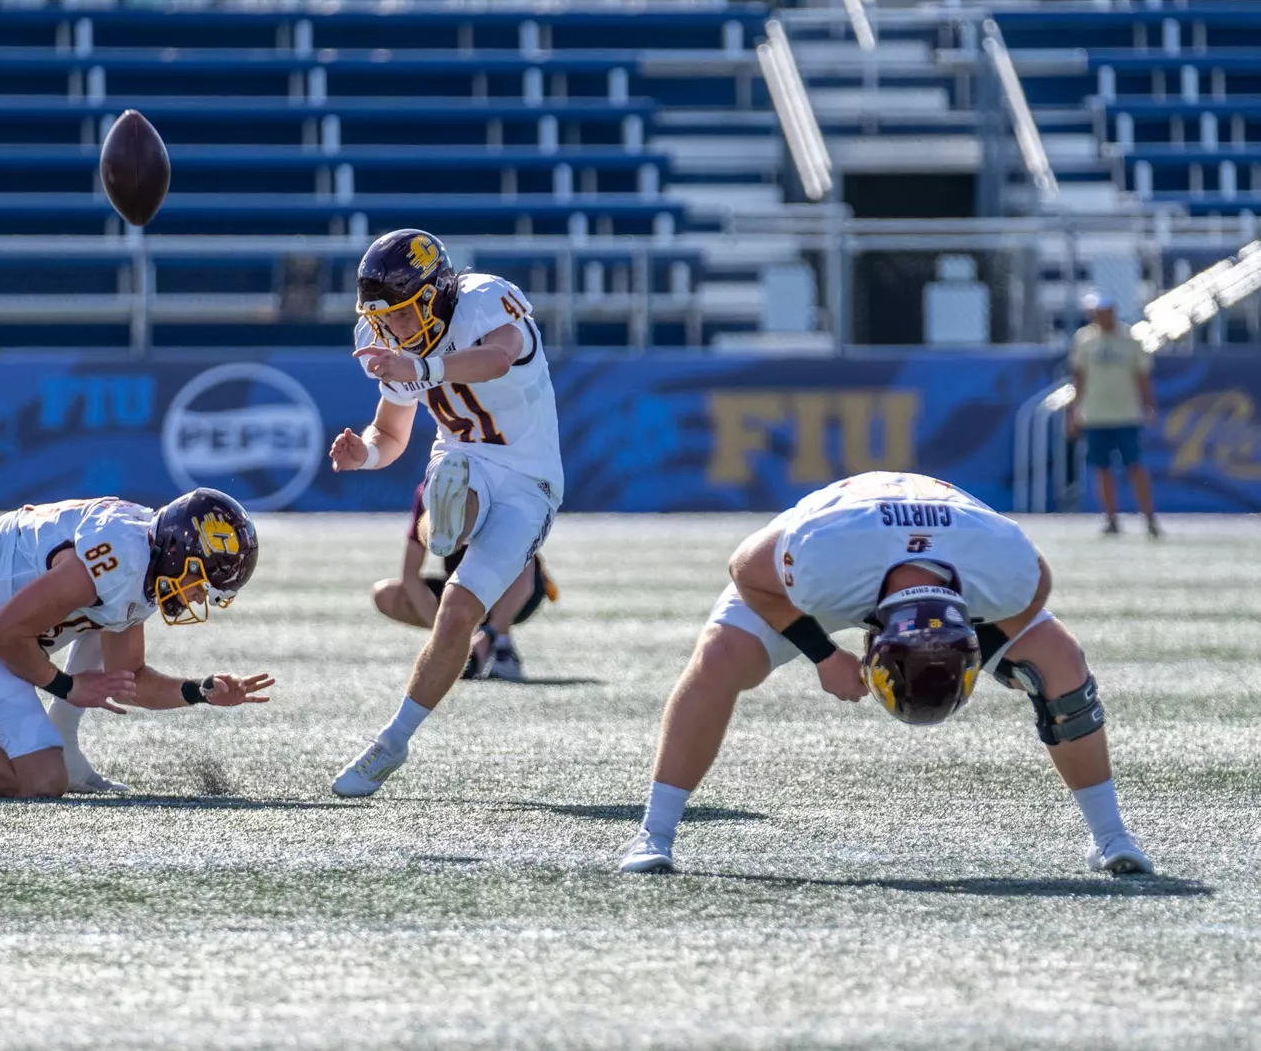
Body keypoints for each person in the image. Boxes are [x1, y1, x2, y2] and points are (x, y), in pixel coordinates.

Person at [618, 471, 1153, 877]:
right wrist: (823, 654)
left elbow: (1036, 589)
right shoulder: (822, 558)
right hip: (838, 560)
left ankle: (1110, 835)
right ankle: (654, 833)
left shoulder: (1002, 564)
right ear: (873, 640)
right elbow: (745, 569)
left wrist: (980, 643)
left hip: (939, 563)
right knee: (717, 658)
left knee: (1061, 664)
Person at [329, 228, 562, 796]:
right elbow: (391, 431)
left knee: (458, 610)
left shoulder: (484, 301)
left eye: (403, 314)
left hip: (530, 480)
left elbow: (498, 358)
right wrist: (365, 455)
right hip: (463, 458)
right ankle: (392, 743)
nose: (392, 330)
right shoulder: (390, 339)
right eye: (383, 317)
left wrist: (422, 369)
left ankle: (394, 740)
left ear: (434, 294)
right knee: (455, 477)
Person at [0, 491, 274, 799]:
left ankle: (65, 746)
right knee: (40, 779)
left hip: (9, 636)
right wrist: (69, 686)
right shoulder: (118, 558)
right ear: (179, 551)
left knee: (107, 615)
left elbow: (129, 678)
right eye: (200, 582)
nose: (200, 597)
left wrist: (201, 691)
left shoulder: (146, 558)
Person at [372, 478, 558, 681]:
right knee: (386, 594)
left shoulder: (498, 487)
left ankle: (500, 644)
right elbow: (410, 574)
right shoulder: (429, 493)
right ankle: (464, 644)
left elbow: (526, 577)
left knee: (515, 569)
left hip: (514, 591)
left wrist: (489, 634)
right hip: (464, 588)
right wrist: (446, 637)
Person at [1067, 290, 1160, 536]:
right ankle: (1111, 518)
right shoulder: (1084, 339)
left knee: (1135, 465)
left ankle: (1149, 517)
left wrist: (1148, 404)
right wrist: (1074, 411)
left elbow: (1142, 375)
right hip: (1095, 414)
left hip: (1126, 414)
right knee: (1102, 468)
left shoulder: (1130, 338)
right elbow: (1079, 378)